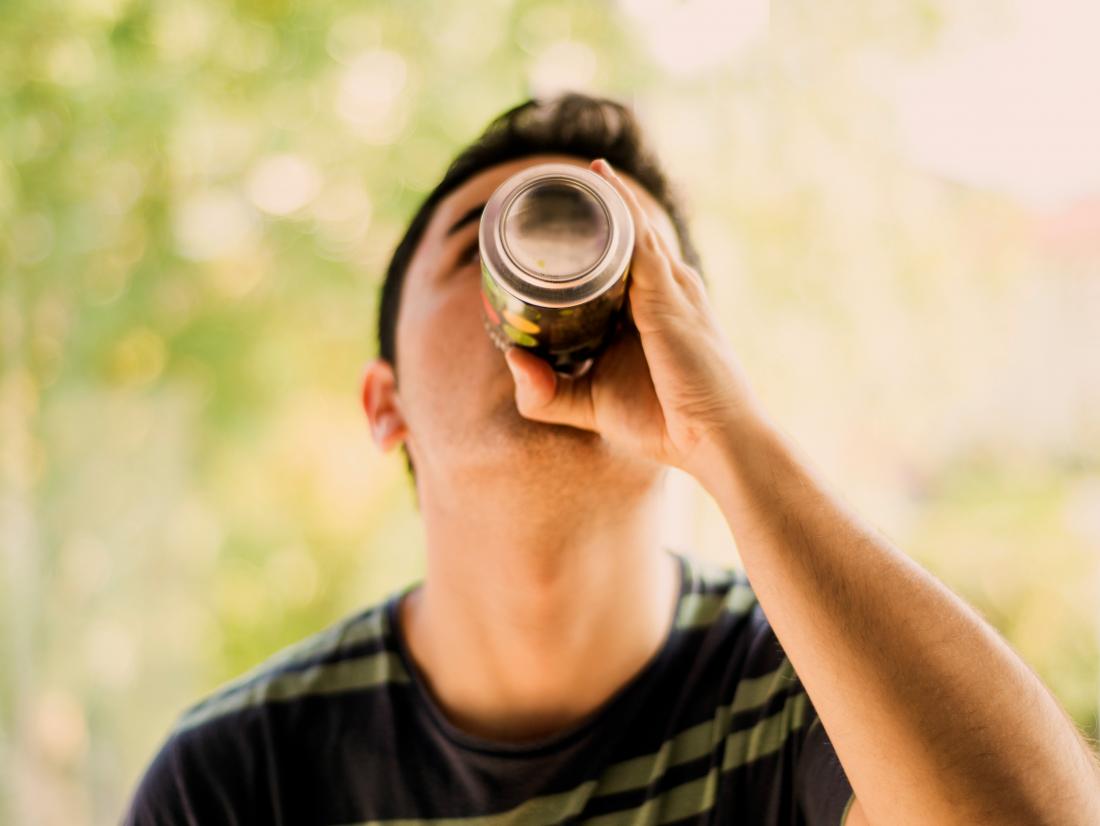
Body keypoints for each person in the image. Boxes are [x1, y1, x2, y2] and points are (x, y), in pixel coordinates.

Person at [123, 92, 1100, 825]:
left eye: (624, 258)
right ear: (387, 404)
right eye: (485, 246)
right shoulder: (238, 776)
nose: (549, 277)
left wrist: (724, 436)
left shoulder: (818, 692)